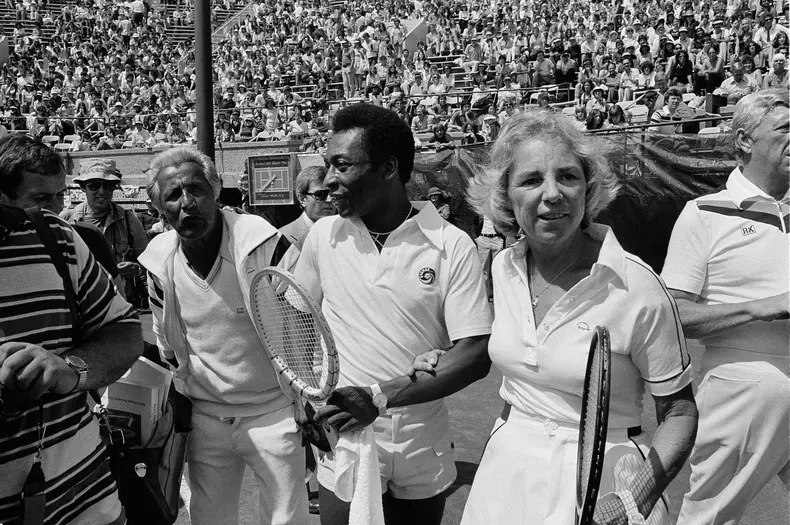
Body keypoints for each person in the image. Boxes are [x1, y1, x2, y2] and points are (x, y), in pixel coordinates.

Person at [438, 110, 698, 525]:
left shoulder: (638, 285)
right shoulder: (503, 268)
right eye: (530, 180)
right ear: (505, 195)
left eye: (568, 176)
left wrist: (634, 501)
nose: (553, 193)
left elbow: (681, 413)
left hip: (610, 482)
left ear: (588, 187)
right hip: (505, 475)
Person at [295, 104, 493, 525]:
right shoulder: (323, 236)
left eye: (342, 165)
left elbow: (474, 355)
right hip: (346, 435)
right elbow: (297, 323)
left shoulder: (451, 244)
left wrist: (378, 397)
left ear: (388, 168)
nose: (329, 180)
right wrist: (302, 395)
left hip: (423, 439)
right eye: (328, 165)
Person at [138, 146, 307, 525]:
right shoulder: (157, 261)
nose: (187, 203)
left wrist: (305, 399)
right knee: (209, 517)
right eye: (173, 196)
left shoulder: (264, 244)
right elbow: (165, 338)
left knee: (287, 518)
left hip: (274, 411)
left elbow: (306, 319)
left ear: (216, 192)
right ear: (159, 209)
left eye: (196, 190)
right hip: (206, 416)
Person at [0, 137, 143, 525]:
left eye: (58, 195)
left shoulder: (60, 237)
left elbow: (123, 327)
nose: (54, 208)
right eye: (39, 198)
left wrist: (71, 369)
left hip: (89, 497)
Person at [664, 89, 790, 525]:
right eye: (785, 129)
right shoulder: (702, 213)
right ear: (743, 141)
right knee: (710, 519)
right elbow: (672, 315)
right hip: (740, 392)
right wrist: (765, 307)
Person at [61, 159, 148, 305]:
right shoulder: (67, 220)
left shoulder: (129, 220)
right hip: (78, 305)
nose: (102, 192)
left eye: (108, 186)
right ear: (83, 187)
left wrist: (136, 269)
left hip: (117, 304)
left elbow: (147, 264)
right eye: (94, 185)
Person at [280, 165, 337, 252]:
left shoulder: (347, 232)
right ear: (302, 199)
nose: (329, 199)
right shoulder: (284, 238)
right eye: (321, 195)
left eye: (333, 194)